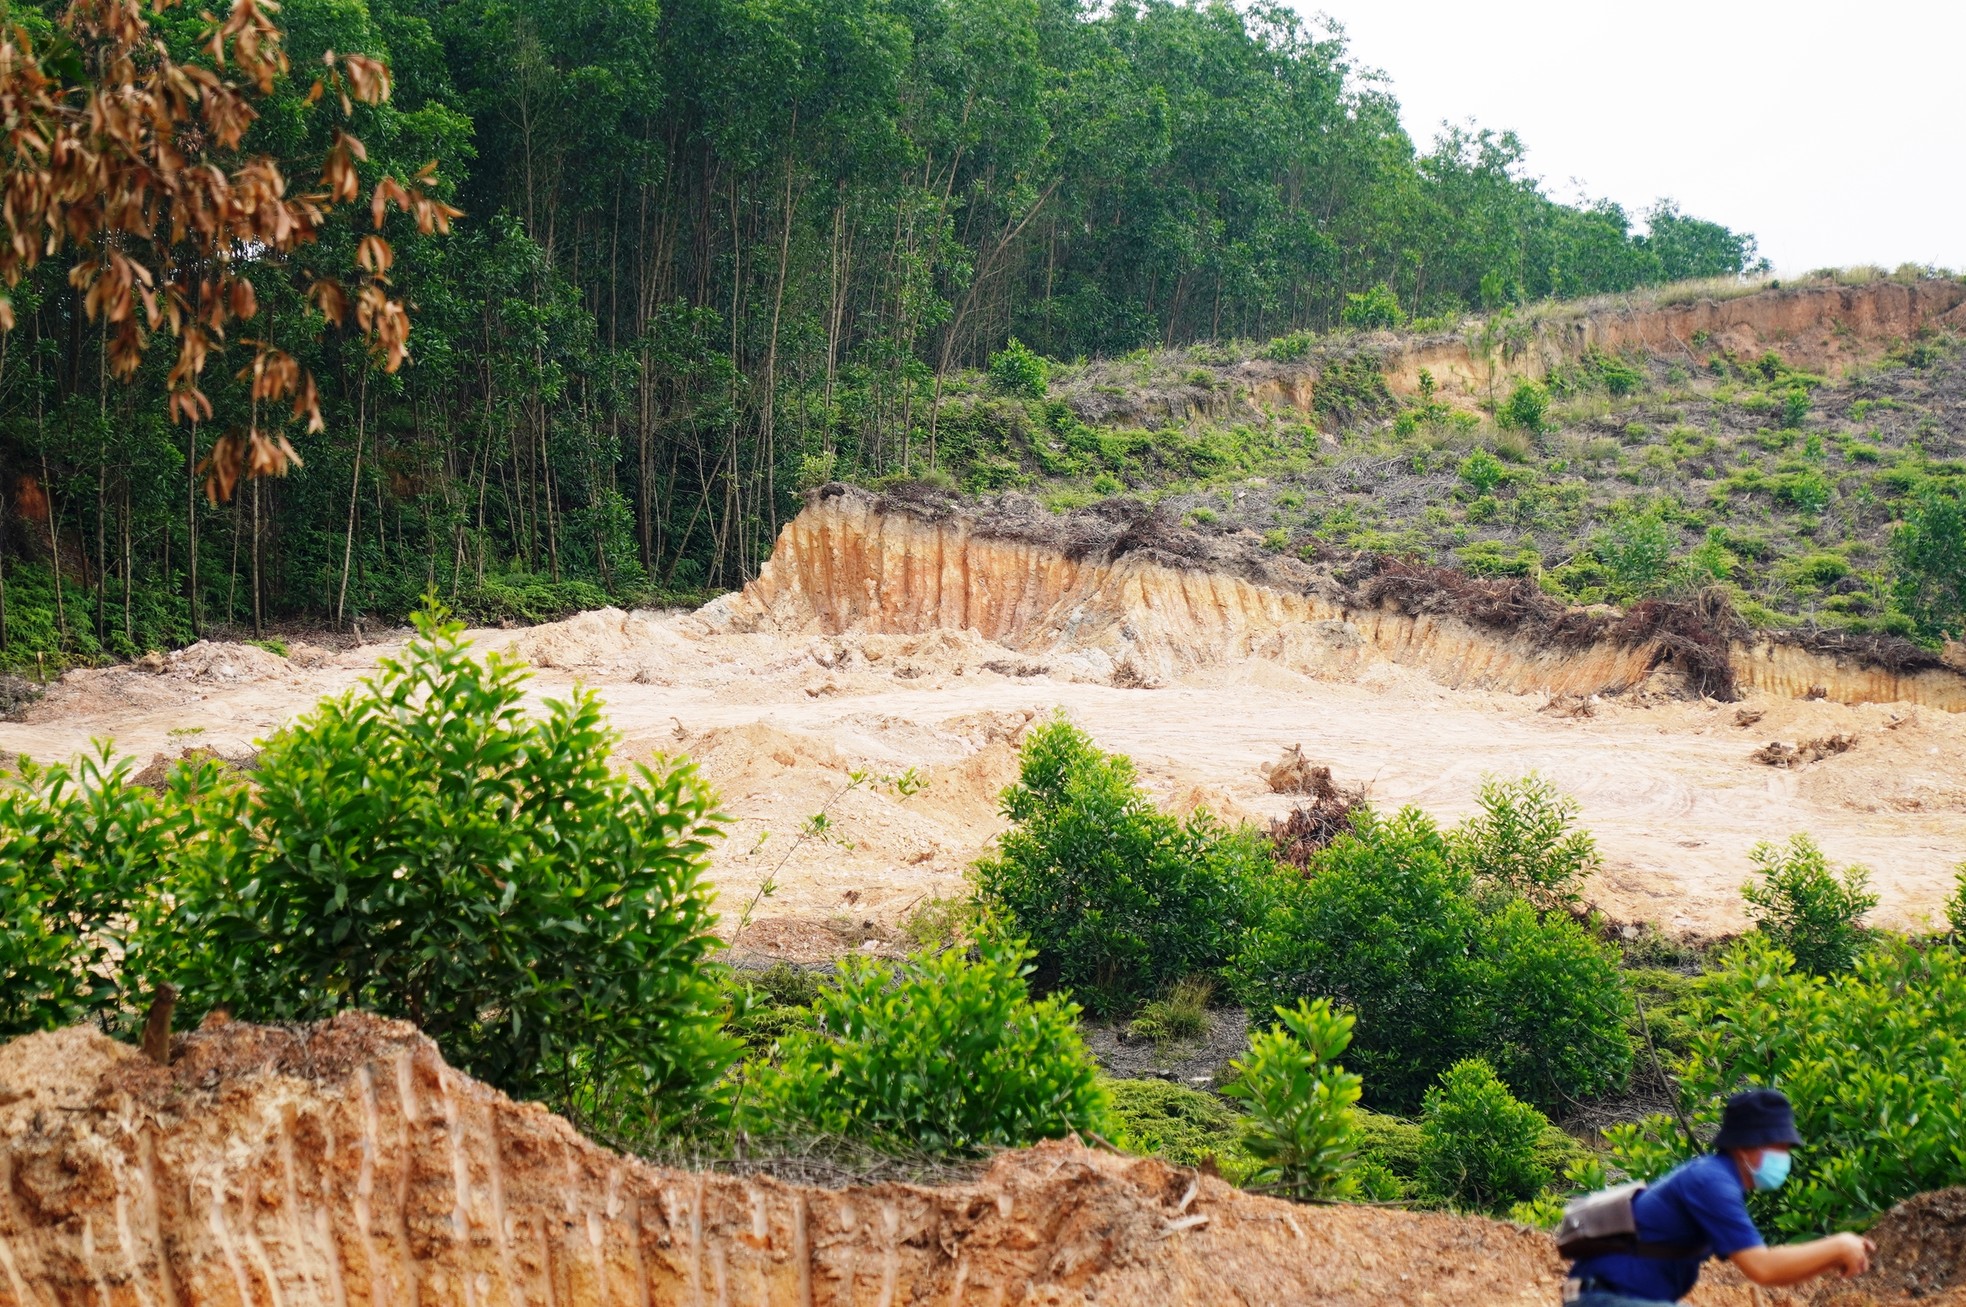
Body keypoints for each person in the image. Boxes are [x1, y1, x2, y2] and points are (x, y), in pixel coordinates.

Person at [1564, 1089, 1872, 1305]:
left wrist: (1833, 1258)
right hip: (1606, 1299)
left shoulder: (1716, 1178)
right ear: (1745, 1146)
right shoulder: (1711, 1182)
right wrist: (1839, 1244)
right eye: (1778, 1147)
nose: (1784, 1157)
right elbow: (1762, 1267)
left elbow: (1768, 1274)